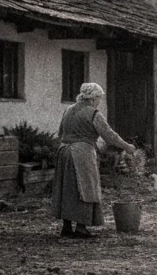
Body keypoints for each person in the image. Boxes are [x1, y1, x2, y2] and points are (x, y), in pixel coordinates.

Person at [51, 82, 135, 238]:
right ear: (93, 98)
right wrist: (127, 146)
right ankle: (81, 228)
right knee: (85, 188)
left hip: (64, 152)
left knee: (67, 188)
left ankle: (67, 226)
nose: (99, 102)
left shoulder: (68, 110)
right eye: (99, 99)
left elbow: (61, 132)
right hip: (82, 153)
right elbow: (109, 135)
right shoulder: (93, 113)